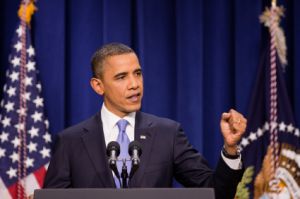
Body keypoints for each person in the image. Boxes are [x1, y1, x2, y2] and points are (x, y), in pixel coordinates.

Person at [43, 43, 247, 199]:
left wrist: (230, 148)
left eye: (137, 74)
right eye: (121, 77)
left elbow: (215, 193)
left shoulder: (167, 134)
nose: (134, 84)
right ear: (98, 86)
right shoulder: (70, 142)